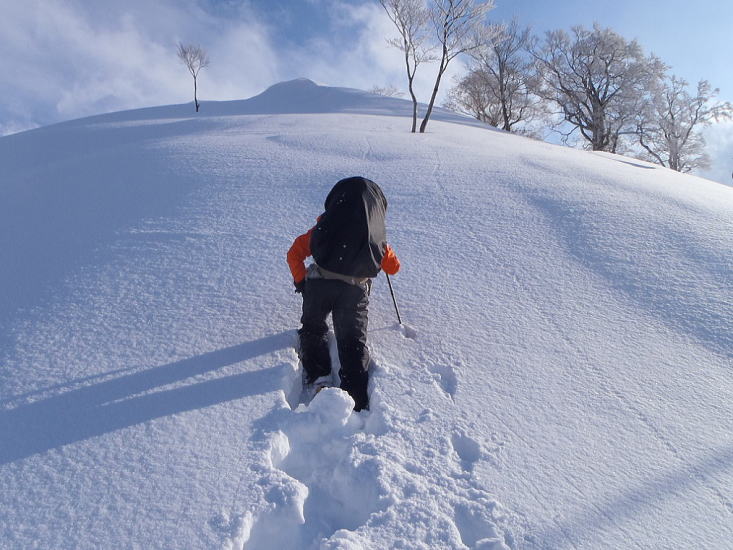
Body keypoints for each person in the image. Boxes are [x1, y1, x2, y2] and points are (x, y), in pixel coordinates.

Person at [287, 176, 400, 411]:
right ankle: (356, 399)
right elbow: (394, 268)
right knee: (352, 343)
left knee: (313, 329)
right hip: (353, 293)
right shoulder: (374, 239)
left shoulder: (323, 228)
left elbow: (294, 254)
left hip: (319, 287)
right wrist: (380, 249)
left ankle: (319, 378)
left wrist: (302, 283)